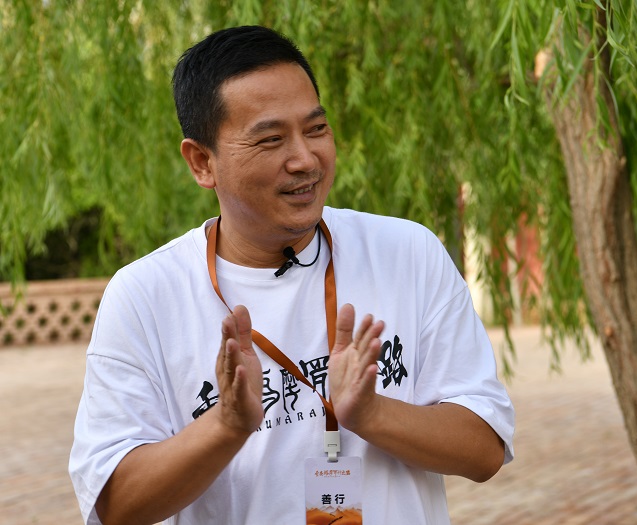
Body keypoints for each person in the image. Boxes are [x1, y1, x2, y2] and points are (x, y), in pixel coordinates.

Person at [69, 25, 514, 525]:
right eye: (271, 139)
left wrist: (372, 414)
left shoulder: (408, 253)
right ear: (202, 162)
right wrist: (226, 425)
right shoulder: (144, 297)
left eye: (316, 129)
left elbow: (484, 448)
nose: (304, 159)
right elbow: (116, 503)